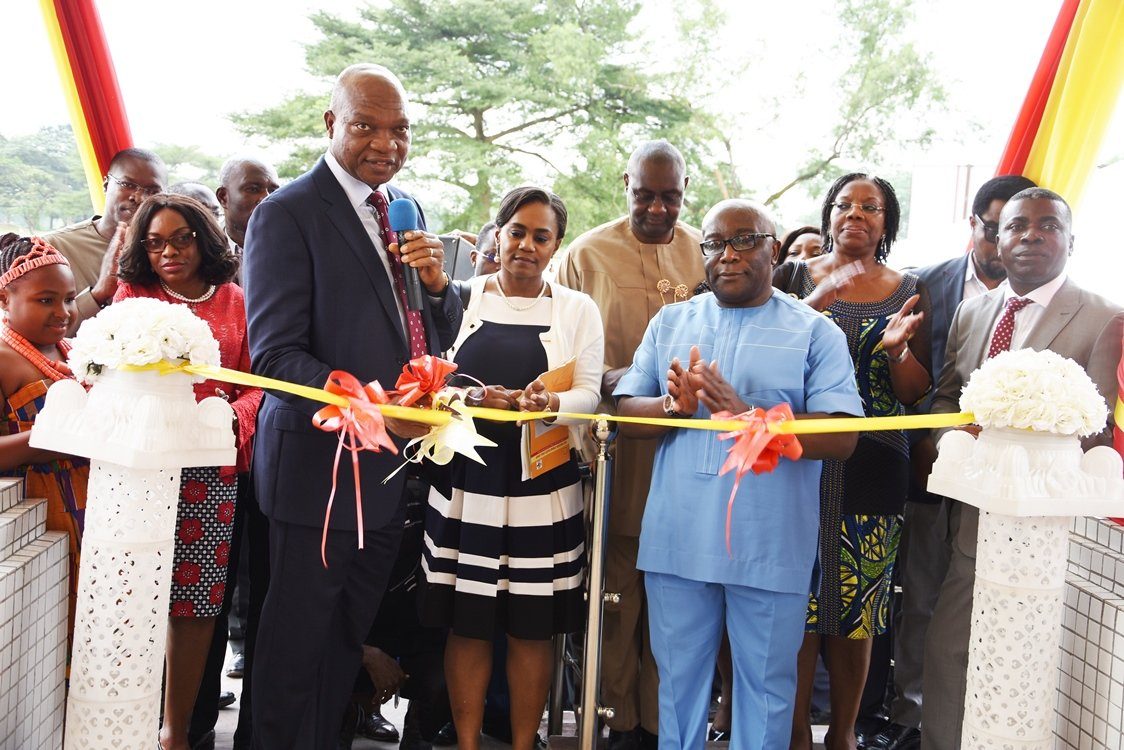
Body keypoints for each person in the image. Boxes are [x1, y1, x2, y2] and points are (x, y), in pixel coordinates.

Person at [243, 63, 461, 750]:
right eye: (366, 124)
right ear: (331, 122)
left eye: (399, 130)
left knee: (341, 651)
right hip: (318, 479)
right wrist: (373, 410)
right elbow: (275, 357)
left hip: (388, 476)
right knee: (292, 655)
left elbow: (438, 332)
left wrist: (434, 283)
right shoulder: (287, 213)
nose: (385, 143)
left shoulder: (405, 209)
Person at [613, 198, 862, 749]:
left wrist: (750, 414)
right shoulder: (672, 321)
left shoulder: (815, 332)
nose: (728, 255)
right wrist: (671, 409)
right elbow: (628, 415)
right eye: (715, 244)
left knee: (768, 691)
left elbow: (843, 435)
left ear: (775, 249)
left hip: (769, 543)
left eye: (745, 240)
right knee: (676, 688)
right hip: (678, 539)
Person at [921, 188, 1124, 750]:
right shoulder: (974, 309)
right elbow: (945, 399)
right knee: (948, 651)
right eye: (1014, 227)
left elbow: (1097, 423)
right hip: (967, 515)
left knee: (1013, 656)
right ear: (994, 237)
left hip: (1041, 531)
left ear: (1070, 241)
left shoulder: (1103, 317)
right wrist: (953, 439)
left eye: (1047, 226)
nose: (1030, 236)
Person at [421, 185, 603, 750]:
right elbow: (427, 385)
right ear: (497, 234)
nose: (526, 244)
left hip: (542, 487)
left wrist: (548, 405)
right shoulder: (460, 298)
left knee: (533, 628)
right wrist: (471, 401)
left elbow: (590, 394)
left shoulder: (577, 308)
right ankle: (469, 743)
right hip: (465, 486)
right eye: (517, 232)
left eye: (540, 236)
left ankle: (525, 744)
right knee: (467, 624)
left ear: (556, 245)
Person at [866, 174, 1036, 750]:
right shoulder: (928, 283)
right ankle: (910, 717)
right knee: (919, 600)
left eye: (1017, 228)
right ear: (975, 225)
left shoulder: (1053, 301)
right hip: (926, 469)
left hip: (1012, 491)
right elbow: (936, 385)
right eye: (995, 228)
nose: (1004, 242)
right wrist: (936, 445)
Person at [555, 140, 704, 750]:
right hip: (614, 450)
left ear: (684, 191)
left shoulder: (704, 251)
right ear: (626, 183)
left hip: (690, 452)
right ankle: (616, 722)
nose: (658, 208)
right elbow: (561, 360)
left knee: (679, 593)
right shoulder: (584, 255)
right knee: (616, 589)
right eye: (645, 194)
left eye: (671, 197)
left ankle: (669, 724)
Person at [781, 173, 933, 750]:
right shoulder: (795, 277)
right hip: (799, 460)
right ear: (828, 216)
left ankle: (841, 735)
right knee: (798, 607)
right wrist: (808, 309)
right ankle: (796, 734)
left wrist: (896, 351)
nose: (856, 215)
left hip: (874, 467)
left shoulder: (909, 288)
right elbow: (766, 360)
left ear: (886, 222)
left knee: (857, 610)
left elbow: (916, 391)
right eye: (845, 205)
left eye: (870, 207)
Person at [112, 193, 262, 750]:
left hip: (211, 468)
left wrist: (226, 417)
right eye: (154, 242)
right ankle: (131, 717)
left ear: (204, 238)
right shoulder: (135, 295)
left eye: (180, 238)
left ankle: (177, 731)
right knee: (137, 594)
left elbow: (255, 386)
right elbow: (113, 376)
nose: (168, 252)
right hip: (143, 468)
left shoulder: (237, 301)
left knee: (196, 602)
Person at [0, 236, 87, 645]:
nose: (64, 312)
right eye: (46, 300)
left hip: (94, 504)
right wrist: (55, 437)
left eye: (68, 299)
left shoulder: (72, 350)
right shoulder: (3, 358)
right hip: (46, 510)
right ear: (4, 299)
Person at [42, 148, 167, 330]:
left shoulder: (172, 251)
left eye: (152, 190)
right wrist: (98, 293)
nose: (138, 197)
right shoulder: (53, 248)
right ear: (107, 185)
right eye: (127, 184)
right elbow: (35, 331)